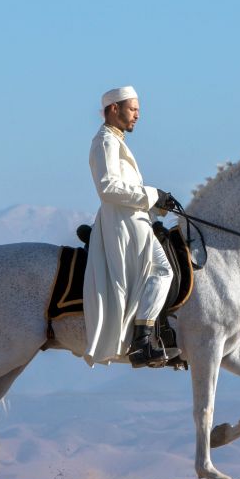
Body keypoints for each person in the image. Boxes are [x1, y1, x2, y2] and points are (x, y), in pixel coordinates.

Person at [82, 85, 179, 368]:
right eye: (133, 109)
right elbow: (108, 187)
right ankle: (141, 340)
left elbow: (125, 188)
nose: (137, 115)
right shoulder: (105, 142)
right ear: (114, 109)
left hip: (135, 218)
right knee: (162, 270)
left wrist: (158, 203)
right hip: (124, 223)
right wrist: (151, 194)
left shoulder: (116, 140)